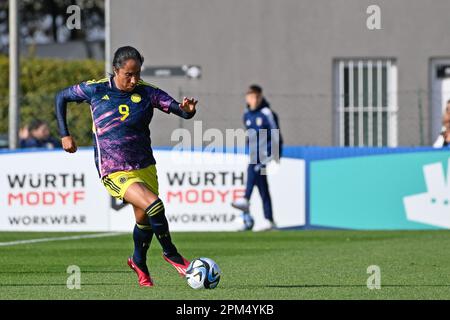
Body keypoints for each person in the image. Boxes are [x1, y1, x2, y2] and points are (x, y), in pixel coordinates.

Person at [55, 46, 198, 287]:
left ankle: (138, 261)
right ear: (116, 70)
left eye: (137, 74)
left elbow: (180, 111)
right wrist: (64, 135)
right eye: (128, 75)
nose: (133, 80)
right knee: (155, 205)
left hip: (144, 165)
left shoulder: (147, 92)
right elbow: (61, 96)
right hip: (113, 167)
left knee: (145, 220)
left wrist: (187, 111)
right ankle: (171, 254)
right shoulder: (96, 88)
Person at [231, 84, 282, 230]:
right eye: (251, 97)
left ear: (260, 97)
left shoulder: (267, 113)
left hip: (266, 155)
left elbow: (276, 135)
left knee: (253, 168)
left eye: (257, 97)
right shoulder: (246, 115)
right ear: (247, 98)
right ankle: (269, 220)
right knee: (262, 186)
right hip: (254, 154)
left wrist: (276, 155)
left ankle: (245, 199)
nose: (254, 99)